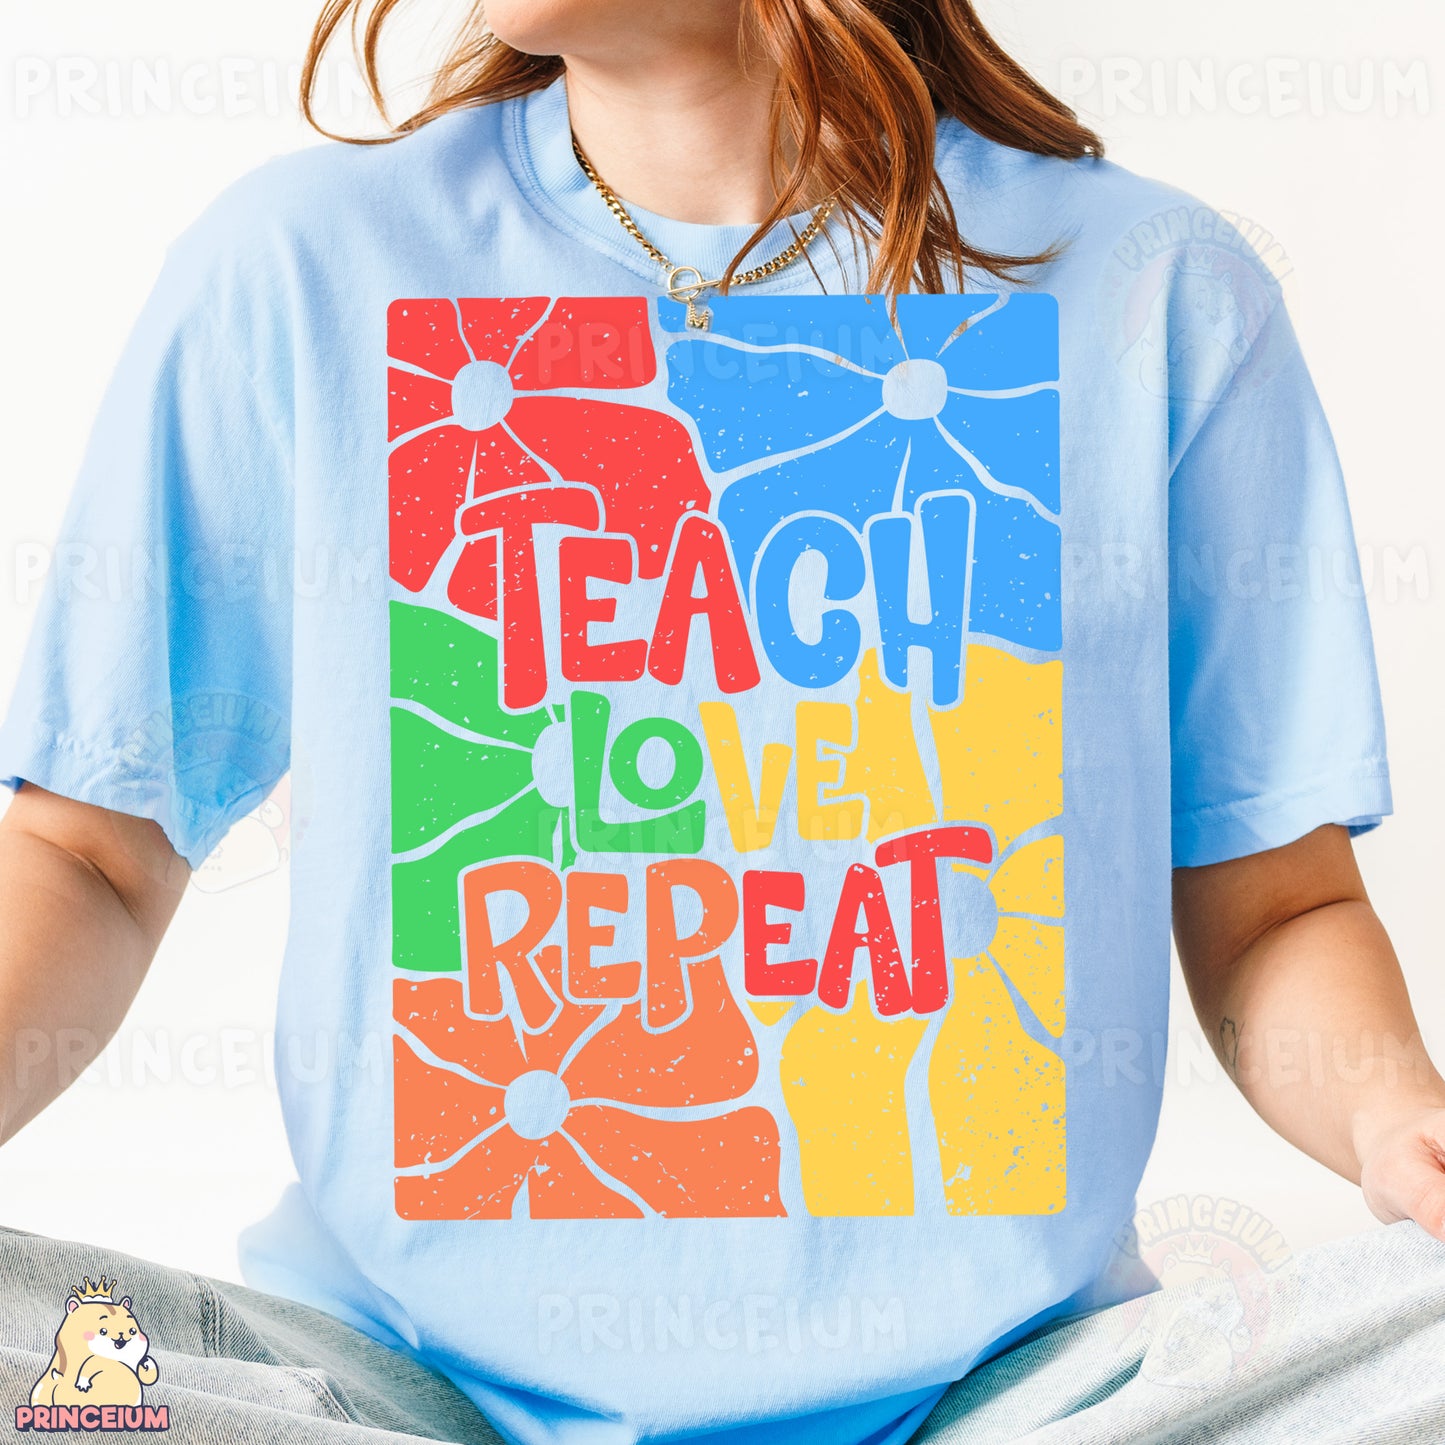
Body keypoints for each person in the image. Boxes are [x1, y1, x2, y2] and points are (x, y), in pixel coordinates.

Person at [2, 2, 1443, 1442]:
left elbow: (1273, 906)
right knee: (47, 1360)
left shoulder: (1158, 292)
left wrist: (1399, 1128)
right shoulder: (297, 266)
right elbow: (94, 852)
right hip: (394, 1397)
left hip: (1016, 1401)